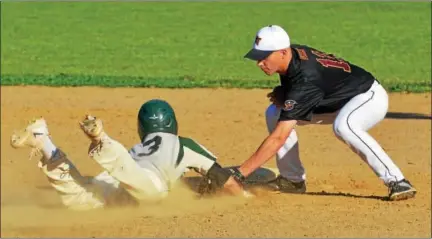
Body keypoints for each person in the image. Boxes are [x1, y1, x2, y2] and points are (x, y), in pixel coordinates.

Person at [223, 25, 416, 201]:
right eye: (258, 57)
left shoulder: (306, 78)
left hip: (367, 98)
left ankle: (398, 181)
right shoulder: (291, 55)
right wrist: (287, 94)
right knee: (274, 112)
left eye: (264, 57)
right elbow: (306, 85)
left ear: (282, 52)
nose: (259, 63)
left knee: (344, 126)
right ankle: (292, 180)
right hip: (335, 100)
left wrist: (239, 175)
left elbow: (279, 137)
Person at [10, 99, 245, 210]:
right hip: (146, 183)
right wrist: (246, 198)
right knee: (148, 188)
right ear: (173, 123)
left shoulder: (139, 147)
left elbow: (126, 170)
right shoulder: (185, 144)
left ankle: (44, 141)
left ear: (142, 127)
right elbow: (223, 178)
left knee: (78, 197)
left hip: (119, 179)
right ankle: (101, 139)